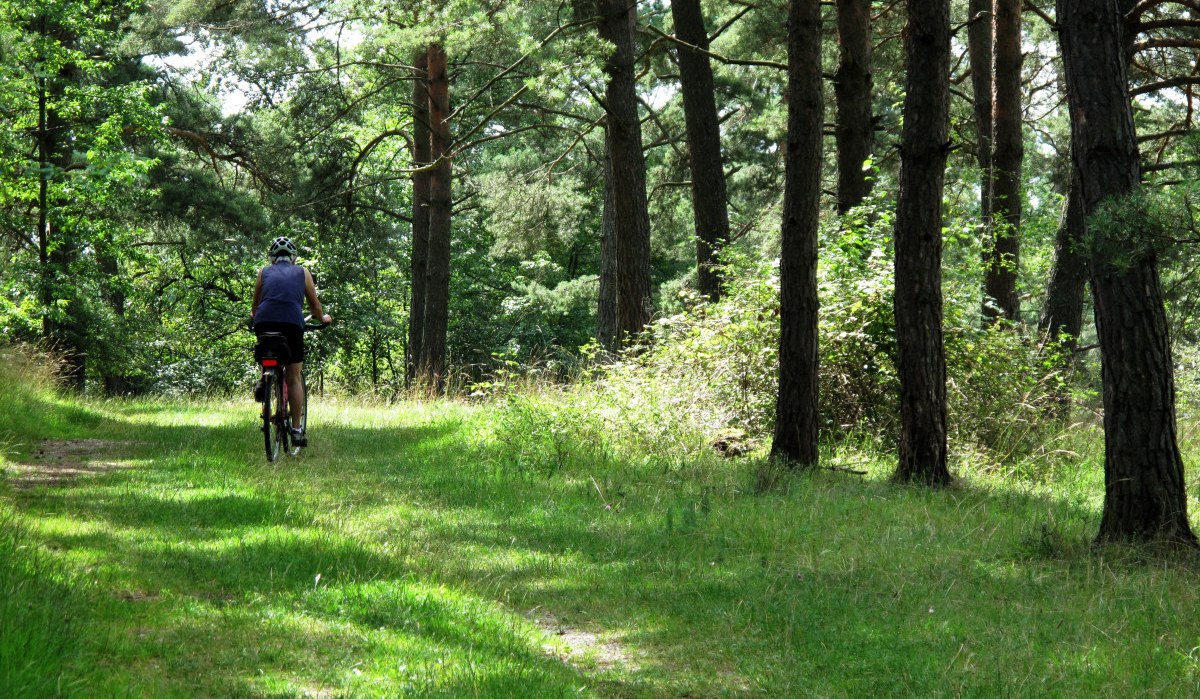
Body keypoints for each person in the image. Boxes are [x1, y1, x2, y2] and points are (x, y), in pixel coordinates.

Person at [251, 236, 332, 446]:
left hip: (264, 322)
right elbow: (315, 306)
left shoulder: (263, 272)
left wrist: (255, 318)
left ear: (272, 258)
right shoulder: (302, 272)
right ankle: (296, 430)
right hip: (292, 324)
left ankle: (264, 379)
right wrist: (322, 318)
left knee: (268, 350)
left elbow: (255, 307)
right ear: (293, 258)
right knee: (293, 377)